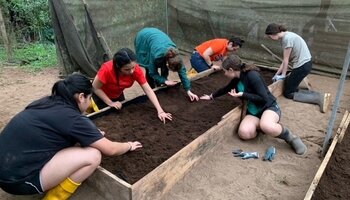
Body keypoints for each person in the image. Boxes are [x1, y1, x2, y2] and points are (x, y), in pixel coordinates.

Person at [0, 73, 142, 199]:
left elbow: (58, 131)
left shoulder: (46, 102)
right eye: (89, 98)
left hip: (6, 170)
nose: (89, 103)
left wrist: (89, 136)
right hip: (18, 182)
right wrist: (129, 145)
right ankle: (54, 198)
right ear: (81, 97)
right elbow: (111, 149)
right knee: (93, 155)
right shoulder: (73, 119)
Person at [200, 55, 307, 155]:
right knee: (244, 133)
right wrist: (211, 96)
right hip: (253, 112)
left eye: (224, 71)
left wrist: (243, 94)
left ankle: (290, 137)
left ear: (231, 70)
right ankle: (265, 126)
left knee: (267, 125)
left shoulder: (252, 75)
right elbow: (226, 88)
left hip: (268, 107)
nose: (224, 74)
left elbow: (264, 98)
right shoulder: (237, 78)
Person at [91, 48, 172, 123]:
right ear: (118, 66)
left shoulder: (136, 70)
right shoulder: (107, 69)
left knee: (122, 117)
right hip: (100, 96)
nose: (132, 71)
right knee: (103, 119)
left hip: (117, 94)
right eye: (127, 69)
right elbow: (95, 87)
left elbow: (148, 90)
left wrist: (160, 111)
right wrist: (110, 102)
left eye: (133, 67)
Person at [265, 23, 331, 113]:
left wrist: (283, 75)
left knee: (288, 93)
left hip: (302, 66)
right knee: (290, 85)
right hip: (306, 64)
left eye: (269, 37)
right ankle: (319, 95)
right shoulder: (288, 35)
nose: (270, 39)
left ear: (273, 34)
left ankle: (319, 98)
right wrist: (277, 74)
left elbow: (286, 60)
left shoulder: (287, 39)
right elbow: (285, 60)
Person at [134, 27, 199, 101]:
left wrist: (188, 90)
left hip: (157, 39)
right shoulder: (156, 56)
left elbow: (182, 72)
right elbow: (152, 72)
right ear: (167, 64)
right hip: (143, 38)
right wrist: (165, 81)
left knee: (162, 73)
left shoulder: (176, 55)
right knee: (148, 68)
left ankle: (160, 84)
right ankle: (152, 90)